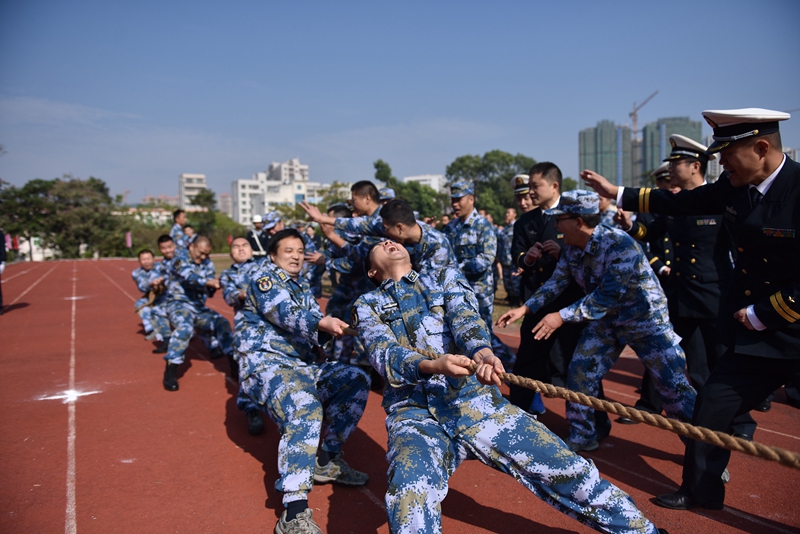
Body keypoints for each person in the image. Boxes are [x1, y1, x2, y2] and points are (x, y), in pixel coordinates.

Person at [353, 240, 667, 534]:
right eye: (379, 245)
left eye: (389, 239)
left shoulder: (443, 277)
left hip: (476, 404)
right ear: (372, 271)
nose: (387, 242)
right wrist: (432, 366)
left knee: (568, 469)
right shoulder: (367, 305)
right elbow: (384, 353)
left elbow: (466, 320)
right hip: (415, 415)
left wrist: (483, 353)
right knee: (409, 492)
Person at [582, 107, 800, 510]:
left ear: (762, 147)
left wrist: (762, 313)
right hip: (751, 337)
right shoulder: (733, 187)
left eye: (727, 154)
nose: (720, 163)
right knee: (710, 410)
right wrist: (618, 193)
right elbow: (679, 203)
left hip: (786, 325)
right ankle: (700, 492)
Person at [498, 190, 696, 452]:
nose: (556, 226)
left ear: (578, 222)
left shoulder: (619, 245)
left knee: (674, 390)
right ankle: (583, 436)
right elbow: (557, 282)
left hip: (645, 323)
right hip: (607, 323)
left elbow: (606, 297)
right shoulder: (571, 248)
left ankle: (703, 453)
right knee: (580, 373)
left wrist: (560, 317)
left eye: (560, 220)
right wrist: (525, 308)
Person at [618, 135, 757, 439]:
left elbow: (740, 250)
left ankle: (742, 424)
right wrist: (630, 226)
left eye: (676, 163)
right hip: (680, 295)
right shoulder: (676, 202)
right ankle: (650, 405)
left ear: (695, 166)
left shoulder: (722, 200)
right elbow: (652, 231)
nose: (670, 168)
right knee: (663, 352)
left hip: (713, 296)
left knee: (721, 361)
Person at [238, 229, 370, 533]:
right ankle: (293, 513)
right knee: (305, 407)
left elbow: (315, 330)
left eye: (300, 250)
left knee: (354, 378)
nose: (296, 255)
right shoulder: (265, 280)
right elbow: (287, 314)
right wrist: (320, 323)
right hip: (267, 366)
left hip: (301, 366)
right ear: (273, 255)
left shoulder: (299, 287)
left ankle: (326, 460)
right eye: (289, 251)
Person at [509, 163, 585, 417]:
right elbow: (516, 256)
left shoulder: (573, 214)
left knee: (578, 364)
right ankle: (515, 415)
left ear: (554, 186)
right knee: (527, 362)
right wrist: (527, 259)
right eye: (529, 186)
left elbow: (589, 255)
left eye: (535, 186)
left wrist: (562, 253)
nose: (530, 191)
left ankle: (588, 423)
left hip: (569, 303)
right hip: (537, 301)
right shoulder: (526, 221)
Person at [441, 181, 515, 367]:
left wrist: (456, 269)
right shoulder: (450, 228)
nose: (455, 204)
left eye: (459, 200)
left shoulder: (483, 226)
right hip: (455, 290)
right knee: (457, 331)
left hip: (478, 290)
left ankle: (512, 365)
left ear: (471, 199)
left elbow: (487, 258)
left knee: (482, 334)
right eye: (453, 200)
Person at [161, 235, 234, 391]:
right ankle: (171, 369)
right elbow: (189, 276)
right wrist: (207, 282)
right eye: (200, 253)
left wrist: (214, 286)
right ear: (191, 247)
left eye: (206, 254)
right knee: (184, 328)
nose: (203, 257)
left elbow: (208, 289)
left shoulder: (207, 264)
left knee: (222, 322)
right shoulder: (179, 258)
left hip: (198, 308)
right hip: (178, 304)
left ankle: (233, 361)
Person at [220, 237, 266, 436]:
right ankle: (251, 409)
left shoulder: (264, 265)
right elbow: (230, 296)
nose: (240, 249)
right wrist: (249, 294)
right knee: (248, 364)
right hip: (246, 322)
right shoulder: (228, 274)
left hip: (271, 319)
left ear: (252, 249)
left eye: (244, 245)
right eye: (236, 247)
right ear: (230, 253)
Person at [378, 198, 456, 271]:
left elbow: (428, 283)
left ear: (399, 228)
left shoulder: (438, 245)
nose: (385, 233)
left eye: (386, 229)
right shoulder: (409, 226)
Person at [131, 249, 169, 342]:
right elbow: (142, 287)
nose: (146, 262)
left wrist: (163, 280)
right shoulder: (136, 273)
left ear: (153, 259)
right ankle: (153, 330)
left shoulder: (161, 267)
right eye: (143, 260)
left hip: (166, 297)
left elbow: (169, 276)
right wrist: (150, 284)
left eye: (148, 259)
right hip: (152, 298)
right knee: (140, 303)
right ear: (139, 261)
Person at [497, 206, 520, 306]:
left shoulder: (517, 226)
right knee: (507, 281)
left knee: (515, 282)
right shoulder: (505, 229)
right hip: (505, 259)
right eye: (506, 212)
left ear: (515, 214)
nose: (506, 214)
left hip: (513, 259)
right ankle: (510, 297)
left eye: (509, 212)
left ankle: (516, 300)